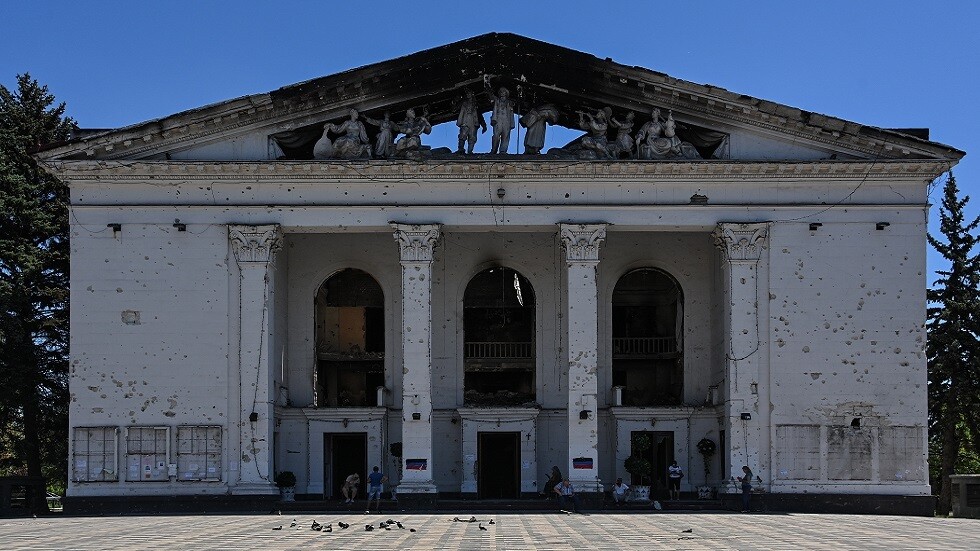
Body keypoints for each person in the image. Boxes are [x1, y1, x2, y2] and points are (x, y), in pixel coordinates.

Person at [456, 89, 486, 154]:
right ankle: (461, 149)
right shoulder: (464, 103)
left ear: (472, 94)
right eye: (467, 94)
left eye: (469, 93)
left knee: (472, 136)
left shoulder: (475, 104)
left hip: (473, 121)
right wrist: (457, 100)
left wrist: (484, 125)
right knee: (462, 134)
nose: (468, 95)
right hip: (465, 120)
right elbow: (455, 109)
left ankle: (470, 151)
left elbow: (479, 115)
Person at [487, 85, 514, 154]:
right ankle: (494, 150)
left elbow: (511, 113)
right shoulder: (497, 100)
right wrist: (488, 89)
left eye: (503, 92)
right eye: (501, 92)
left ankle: (503, 151)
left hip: (507, 121)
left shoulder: (509, 102)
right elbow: (491, 97)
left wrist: (512, 123)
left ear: (506, 93)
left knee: (506, 136)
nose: (502, 93)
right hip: (498, 120)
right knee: (496, 135)